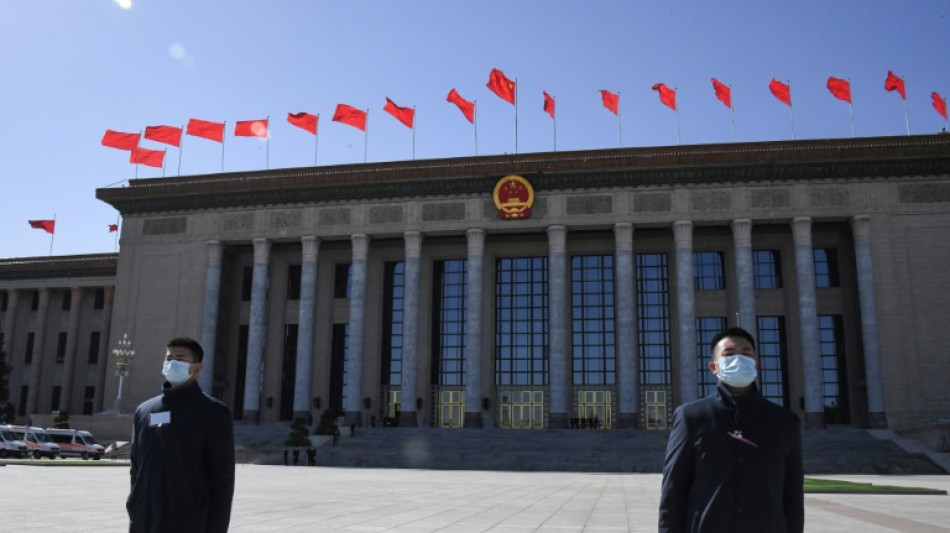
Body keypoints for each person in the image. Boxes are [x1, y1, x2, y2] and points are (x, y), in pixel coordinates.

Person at [659, 327, 804, 533]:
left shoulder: (785, 422)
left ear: (756, 364)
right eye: (729, 354)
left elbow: (793, 496)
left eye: (746, 354)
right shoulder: (692, 417)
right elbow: (673, 492)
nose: (738, 359)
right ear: (713, 367)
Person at [127, 337, 235, 533]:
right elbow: (136, 467)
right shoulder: (145, 411)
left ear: (196, 368)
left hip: (188, 521)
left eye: (180, 359)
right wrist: (135, 506)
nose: (172, 363)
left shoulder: (212, 412)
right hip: (145, 520)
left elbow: (222, 481)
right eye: (168, 358)